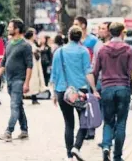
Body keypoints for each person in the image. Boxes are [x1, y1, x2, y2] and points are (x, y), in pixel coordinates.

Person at [50, 26, 100, 161]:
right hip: (80, 92)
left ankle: (69, 155)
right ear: (80, 37)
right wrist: (94, 90)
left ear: (69, 36)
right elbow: (88, 72)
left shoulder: (58, 52)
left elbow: (54, 75)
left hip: (62, 91)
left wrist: (54, 94)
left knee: (68, 123)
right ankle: (76, 148)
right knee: (85, 122)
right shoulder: (84, 51)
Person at [93, 22, 132, 161]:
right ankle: (117, 156)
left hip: (107, 89)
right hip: (123, 89)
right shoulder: (128, 50)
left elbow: (95, 71)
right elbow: (131, 72)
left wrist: (94, 89)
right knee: (121, 123)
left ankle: (106, 146)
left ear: (110, 32)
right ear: (121, 32)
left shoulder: (103, 50)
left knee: (108, 121)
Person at [0, 18, 33, 142]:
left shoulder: (25, 45)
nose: (8, 29)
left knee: (14, 106)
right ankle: (24, 130)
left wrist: (27, 83)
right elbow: (3, 61)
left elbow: (29, 65)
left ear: (17, 29)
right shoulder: (8, 43)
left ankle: (8, 131)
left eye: (10, 27)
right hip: (9, 80)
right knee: (18, 105)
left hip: (19, 80)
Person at [73, 16, 99, 140]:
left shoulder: (93, 40)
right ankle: (83, 127)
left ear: (83, 25)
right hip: (78, 76)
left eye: (76, 23)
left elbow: (96, 57)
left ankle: (91, 129)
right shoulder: (75, 41)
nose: (74, 26)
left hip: (90, 75)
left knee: (91, 102)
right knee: (80, 103)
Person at [24, 28, 47, 105]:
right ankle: (32, 97)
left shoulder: (32, 43)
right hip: (31, 66)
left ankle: (34, 97)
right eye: (34, 34)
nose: (35, 36)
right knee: (32, 81)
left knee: (34, 81)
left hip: (34, 66)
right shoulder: (28, 44)